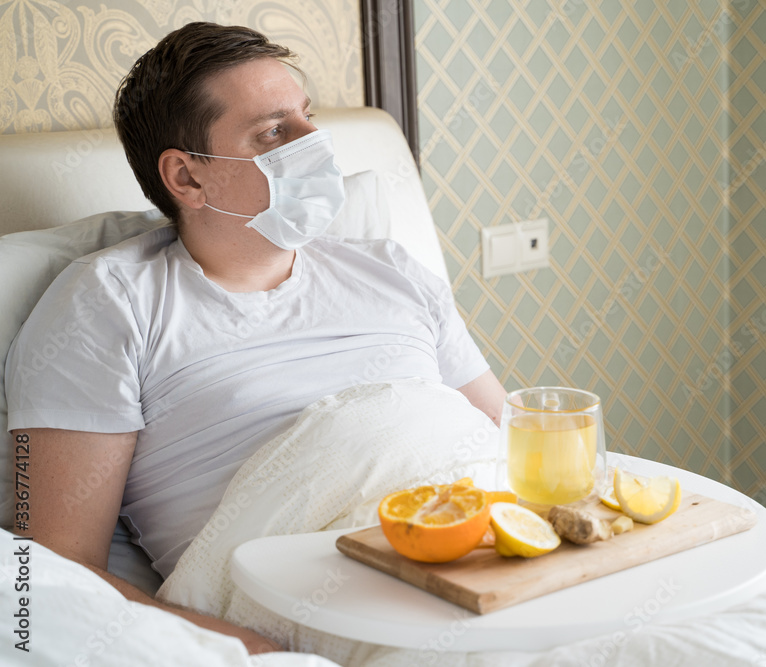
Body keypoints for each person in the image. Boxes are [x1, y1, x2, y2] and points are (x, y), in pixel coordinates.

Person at [6, 22, 506, 654]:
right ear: (187, 178)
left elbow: (513, 447)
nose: (313, 141)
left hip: (506, 567)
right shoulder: (109, 304)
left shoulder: (393, 270)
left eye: (307, 117)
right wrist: (269, 657)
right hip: (325, 619)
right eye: (273, 132)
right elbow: (54, 573)